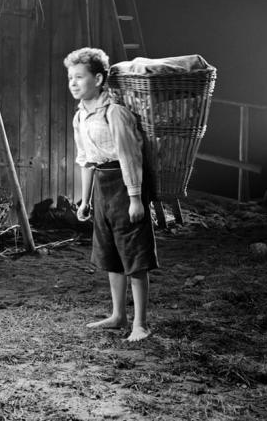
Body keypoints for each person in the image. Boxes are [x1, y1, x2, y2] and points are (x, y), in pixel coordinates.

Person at [66, 47, 158, 342]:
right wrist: (85, 200)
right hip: (102, 186)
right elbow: (85, 160)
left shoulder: (115, 112)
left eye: (80, 77)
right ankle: (118, 316)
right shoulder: (80, 117)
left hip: (125, 183)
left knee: (134, 254)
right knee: (110, 253)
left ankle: (140, 324)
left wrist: (135, 198)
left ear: (98, 79)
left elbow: (131, 157)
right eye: (70, 77)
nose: (73, 83)